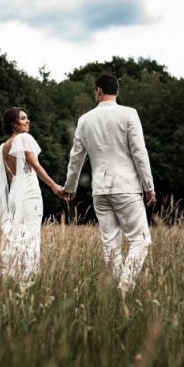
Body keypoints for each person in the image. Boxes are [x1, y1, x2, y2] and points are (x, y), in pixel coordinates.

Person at [62, 75, 156, 292]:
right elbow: (139, 153)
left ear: (98, 91)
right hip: (126, 188)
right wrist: (148, 185)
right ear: (117, 91)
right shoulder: (129, 114)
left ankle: (118, 292)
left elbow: (76, 158)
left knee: (110, 246)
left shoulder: (85, 119)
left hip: (100, 191)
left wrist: (70, 187)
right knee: (140, 241)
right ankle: (125, 288)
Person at [0, 107, 65, 282]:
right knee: (31, 236)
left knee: (18, 236)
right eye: (23, 119)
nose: (28, 121)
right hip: (29, 193)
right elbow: (35, 165)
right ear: (14, 124)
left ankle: (14, 276)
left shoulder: (3, 147)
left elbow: (11, 179)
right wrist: (54, 186)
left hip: (15, 196)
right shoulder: (24, 138)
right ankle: (28, 279)